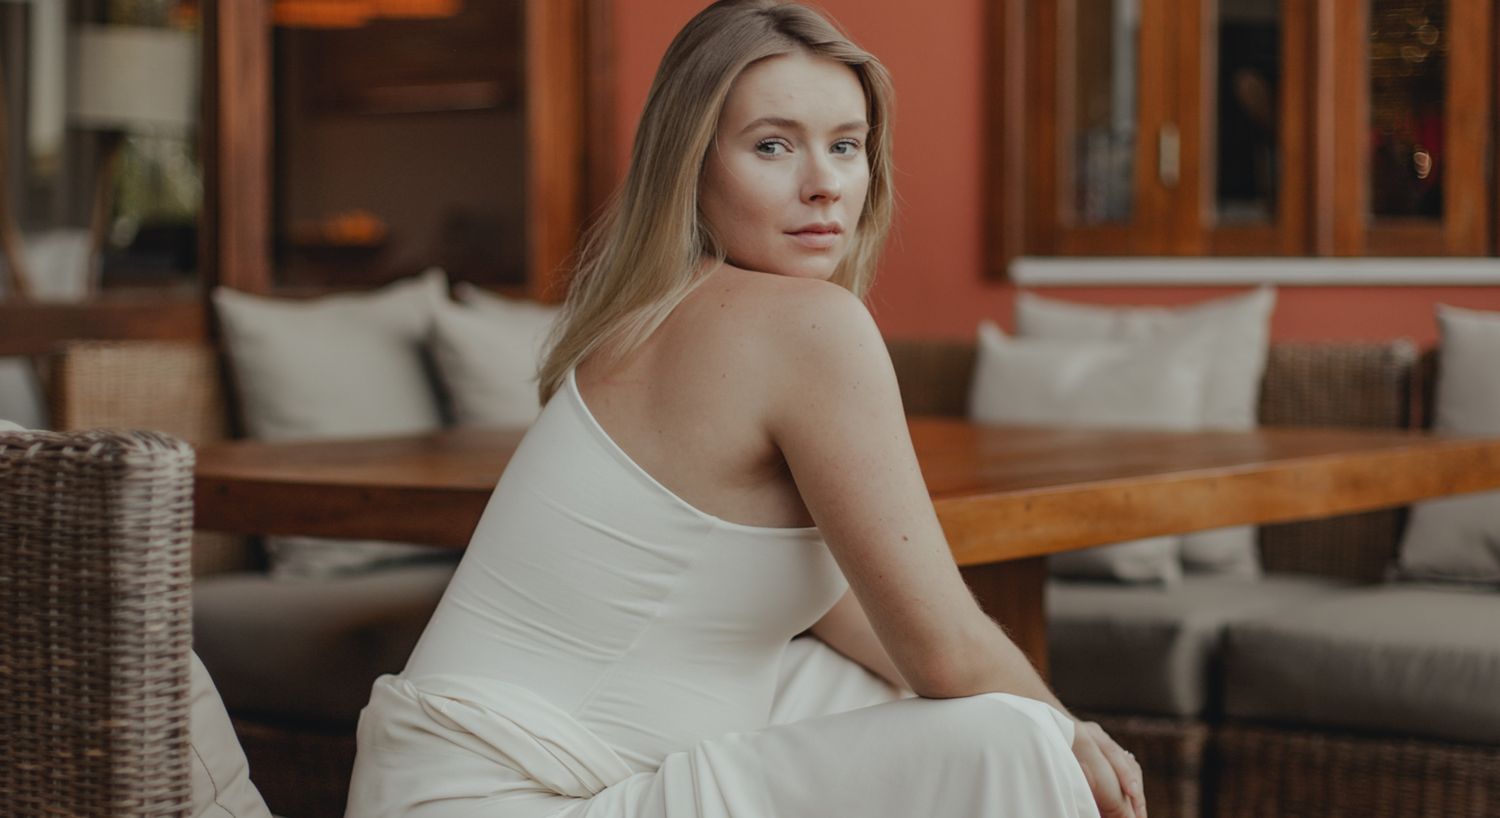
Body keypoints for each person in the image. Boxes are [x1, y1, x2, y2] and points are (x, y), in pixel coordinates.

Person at [344, 2, 1145, 816]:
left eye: (846, 145)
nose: (824, 183)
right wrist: (1068, 732)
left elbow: (849, 613)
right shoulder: (805, 327)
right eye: (772, 145)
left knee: (853, 681)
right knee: (1012, 738)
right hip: (503, 800)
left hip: (422, 784)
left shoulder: (652, 312)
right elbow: (945, 651)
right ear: (690, 164)